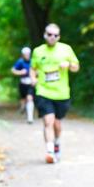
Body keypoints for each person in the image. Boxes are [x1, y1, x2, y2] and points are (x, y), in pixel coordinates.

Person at [30, 24, 79, 164]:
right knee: (48, 121)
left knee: (57, 124)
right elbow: (33, 68)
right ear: (45, 35)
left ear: (59, 36)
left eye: (55, 35)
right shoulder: (38, 51)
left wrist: (68, 65)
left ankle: (56, 143)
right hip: (43, 91)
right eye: (50, 34)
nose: (52, 37)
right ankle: (50, 151)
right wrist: (33, 79)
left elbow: (76, 67)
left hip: (62, 93)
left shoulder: (66, 49)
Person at [11, 46, 35, 123]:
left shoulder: (33, 61)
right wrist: (20, 72)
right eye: (25, 54)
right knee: (23, 99)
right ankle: (23, 108)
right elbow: (13, 70)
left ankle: (30, 118)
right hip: (23, 82)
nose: (27, 55)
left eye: (28, 54)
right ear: (23, 54)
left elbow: (38, 70)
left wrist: (35, 76)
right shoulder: (20, 62)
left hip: (30, 83)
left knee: (29, 98)